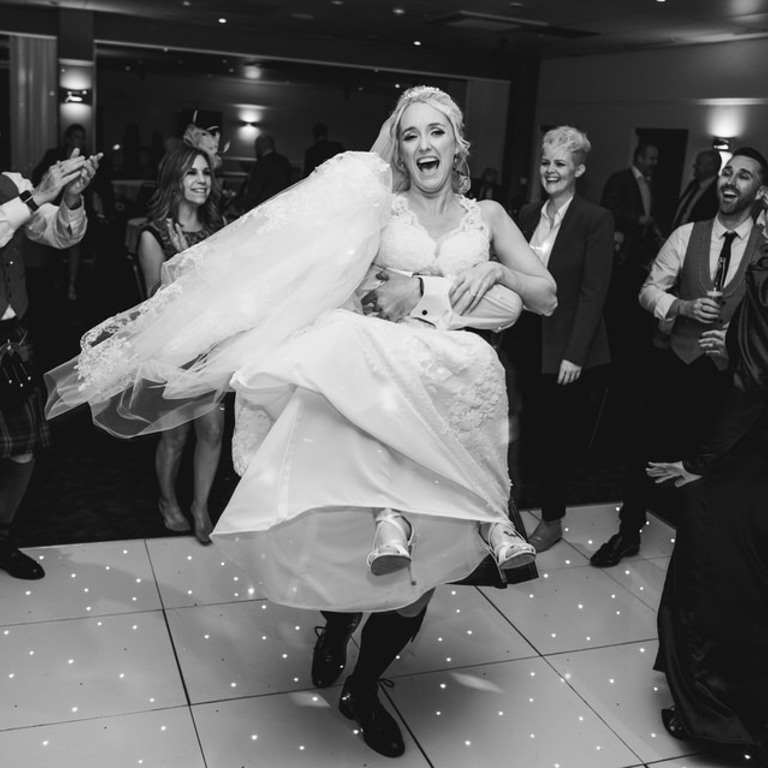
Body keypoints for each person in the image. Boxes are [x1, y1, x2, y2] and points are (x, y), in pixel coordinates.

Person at [45, 86, 556, 758]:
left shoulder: (488, 214)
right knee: (356, 554)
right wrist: (221, 353)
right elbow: (330, 292)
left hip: (451, 412)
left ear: (459, 143)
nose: (424, 146)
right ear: (396, 147)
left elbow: (542, 295)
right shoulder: (381, 212)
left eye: (437, 133)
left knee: (417, 583)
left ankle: (365, 687)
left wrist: (493, 270)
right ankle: (334, 628)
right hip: (379, 410)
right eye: (410, 135)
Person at [591, 147, 768, 567]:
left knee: (715, 463)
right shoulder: (687, 234)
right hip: (676, 363)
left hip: (733, 377)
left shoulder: (765, 249)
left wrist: (736, 338)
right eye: (728, 173)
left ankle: (699, 549)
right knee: (645, 449)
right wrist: (682, 308)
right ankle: (628, 531)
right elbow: (649, 289)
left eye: (744, 176)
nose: (731, 181)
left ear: (760, 191)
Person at [647, 249, 768, 766]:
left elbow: (753, 389)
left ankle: (716, 714)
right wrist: (736, 353)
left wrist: (702, 463)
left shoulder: (764, 277)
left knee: (714, 576)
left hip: (749, 457)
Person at [507, 126, 613, 552]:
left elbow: (594, 292)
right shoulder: (529, 214)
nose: (551, 170)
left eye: (561, 164)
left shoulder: (595, 219)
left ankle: (552, 519)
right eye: (546, 162)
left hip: (565, 346)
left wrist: (576, 354)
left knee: (554, 435)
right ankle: (517, 504)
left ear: (579, 170)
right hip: (525, 338)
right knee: (522, 428)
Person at [1, 133, 101, 579]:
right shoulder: (23, 190)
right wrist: (38, 193)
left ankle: (2, 538)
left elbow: (61, 235)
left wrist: (71, 199)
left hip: (10, 337)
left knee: (22, 450)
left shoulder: (9, 182)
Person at [137, 142, 226, 544]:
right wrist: (184, 264)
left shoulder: (218, 226)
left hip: (210, 341)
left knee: (212, 429)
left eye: (206, 173)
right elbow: (153, 303)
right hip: (172, 346)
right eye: (192, 172)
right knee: (175, 435)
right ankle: (168, 499)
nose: (202, 181)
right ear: (175, 179)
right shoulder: (153, 234)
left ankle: (200, 506)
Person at [32, 124, 89, 302]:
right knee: (53, 245)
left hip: (76, 205)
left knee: (74, 242)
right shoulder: (53, 155)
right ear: (68, 139)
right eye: (76, 136)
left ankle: (72, 282)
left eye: (82, 137)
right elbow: (38, 175)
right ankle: (56, 279)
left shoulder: (86, 158)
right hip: (51, 204)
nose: (79, 140)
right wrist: (50, 183)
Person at [671, 148, 721, 230]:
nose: (694, 166)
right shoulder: (693, 184)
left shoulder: (717, 192)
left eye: (698, 163)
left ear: (711, 167)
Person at [241, 134, 292, 211]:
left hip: (262, 206)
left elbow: (255, 189)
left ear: (261, 145)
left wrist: (247, 207)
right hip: (281, 204)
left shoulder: (262, 163)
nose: (256, 148)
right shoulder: (284, 161)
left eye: (257, 145)